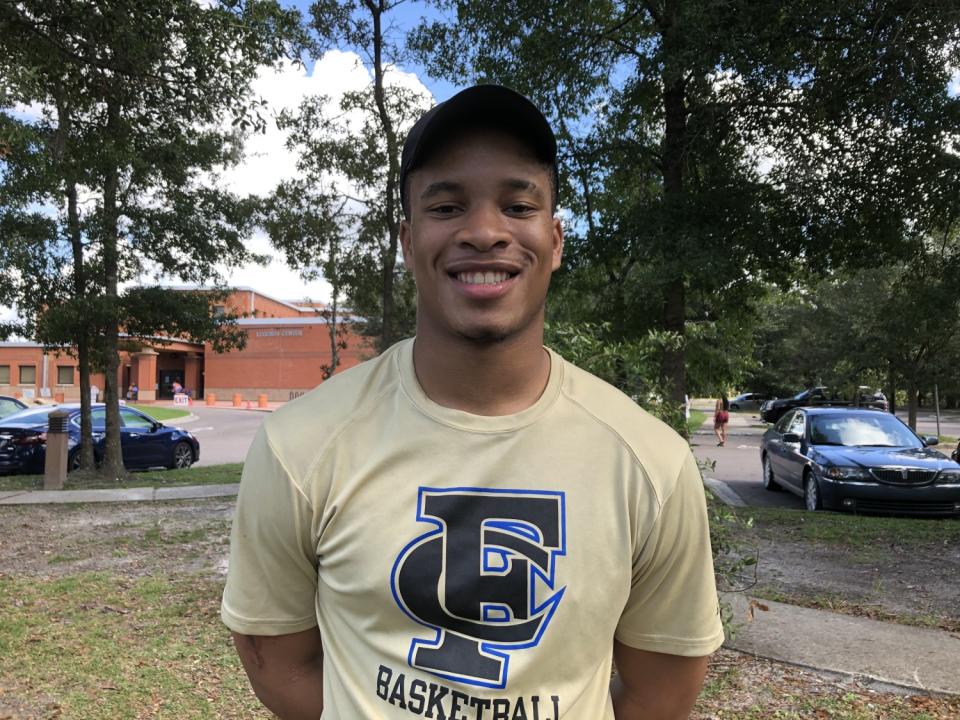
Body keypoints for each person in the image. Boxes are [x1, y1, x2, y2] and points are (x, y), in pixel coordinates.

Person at [221, 85, 723, 720]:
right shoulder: (301, 445)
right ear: (408, 242)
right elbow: (279, 663)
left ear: (555, 240)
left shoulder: (650, 461)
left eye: (518, 205)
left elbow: (662, 691)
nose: (485, 232)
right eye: (447, 206)